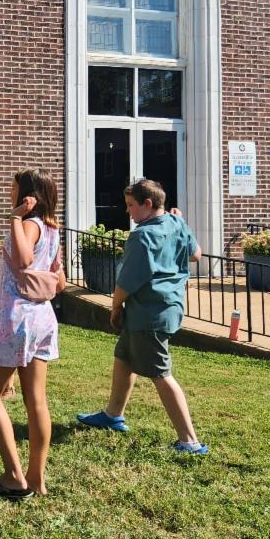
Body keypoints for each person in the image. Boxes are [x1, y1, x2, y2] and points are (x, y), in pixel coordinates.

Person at [77, 179, 208, 455]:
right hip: (166, 308)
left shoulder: (142, 236)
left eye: (130, 205)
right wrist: (180, 225)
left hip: (149, 314)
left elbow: (125, 282)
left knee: (160, 374)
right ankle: (113, 415)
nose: (127, 211)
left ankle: (189, 441)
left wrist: (115, 307)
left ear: (147, 204)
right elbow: (196, 254)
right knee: (124, 357)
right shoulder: (176, 223)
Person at [0, 169, 61, 499]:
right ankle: (37, 478)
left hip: (16, 321)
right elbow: (58, 282)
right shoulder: (53, 229)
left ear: (27, 195)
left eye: (13, 188)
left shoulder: (28, 224)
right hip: (41, 318)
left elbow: (22, 260)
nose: (9, 192)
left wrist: (15, 218)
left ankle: (14, 477)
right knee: (36, 400)